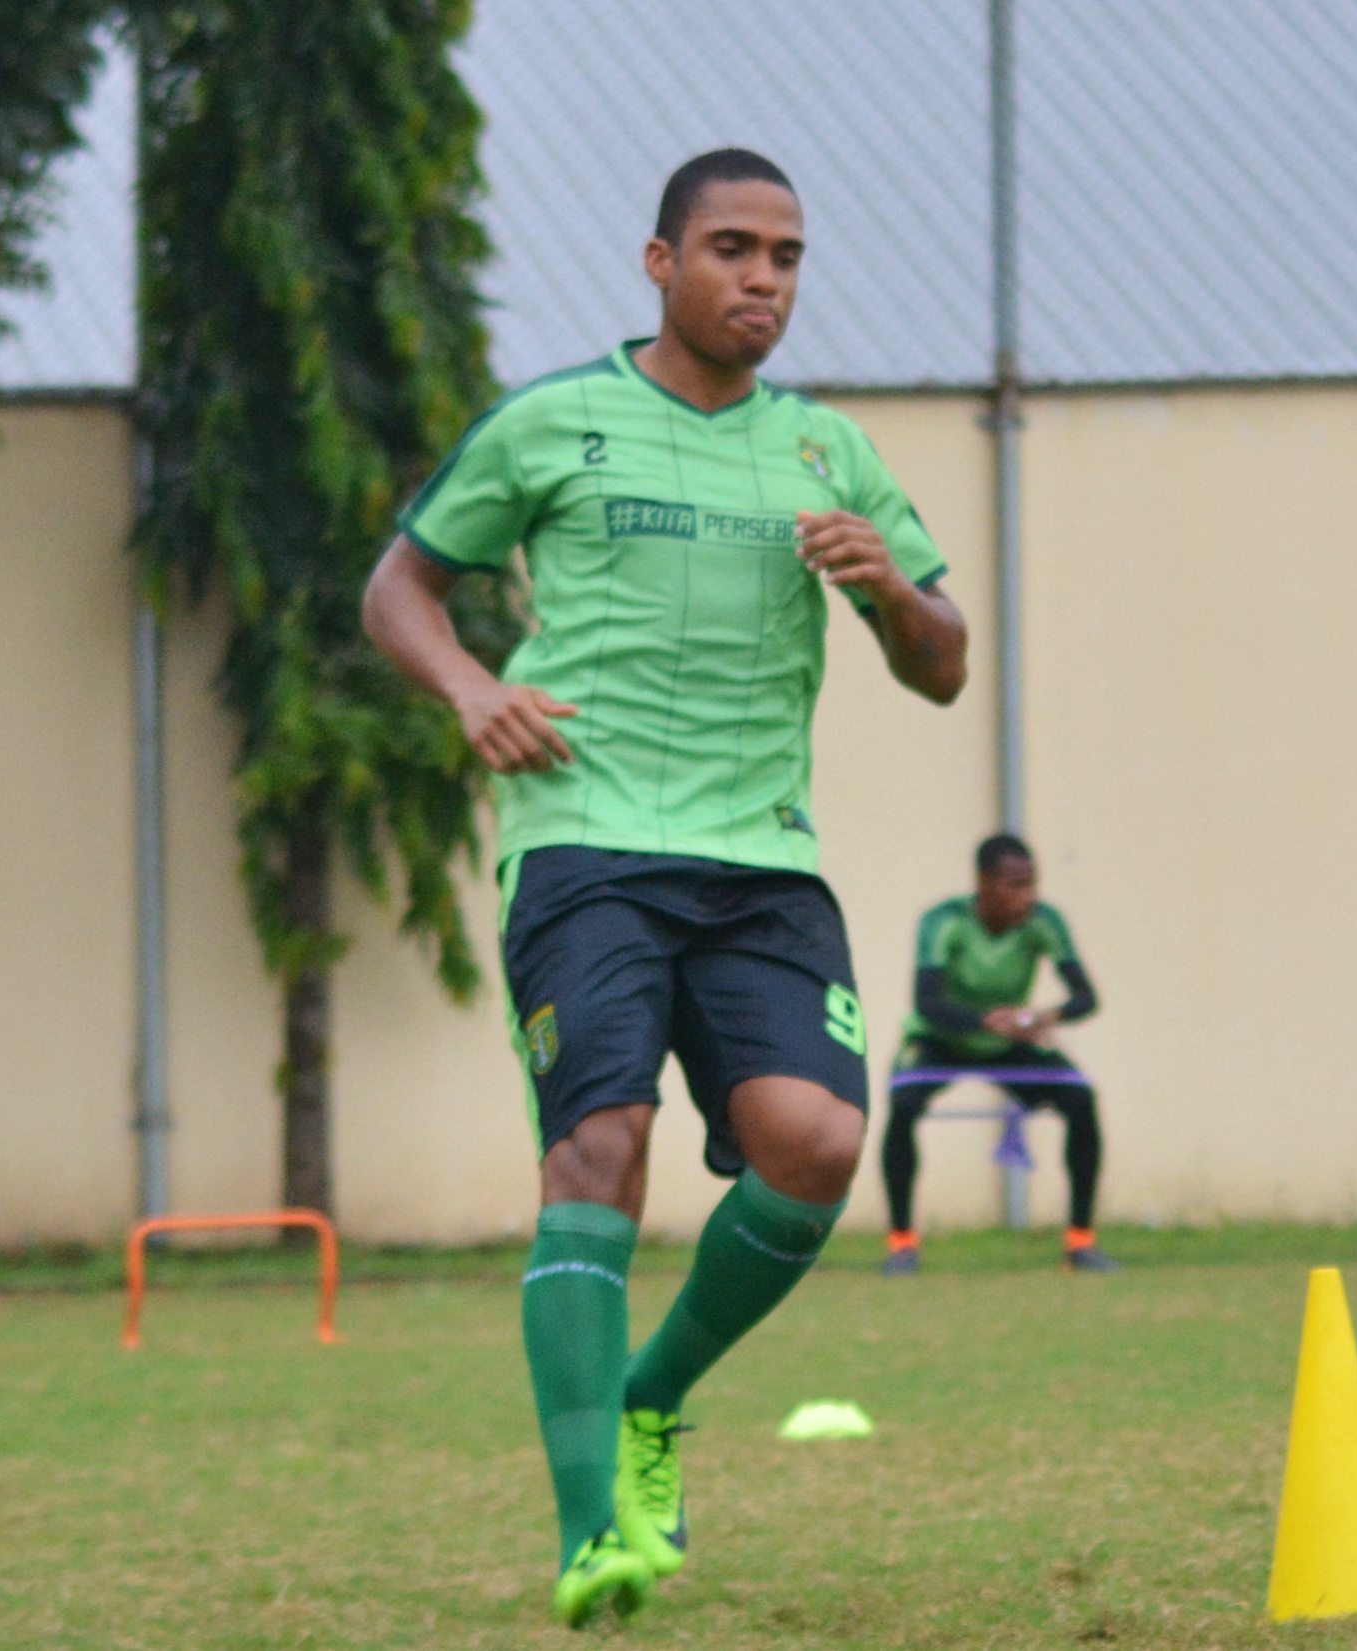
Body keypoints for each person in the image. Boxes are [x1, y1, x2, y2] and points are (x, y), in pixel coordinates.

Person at [363, 148, 967, 1626]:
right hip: (585, 840)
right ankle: (591, 1530)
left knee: (819, 1141)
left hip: (761, 854)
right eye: (732, 250)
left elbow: (944, 664)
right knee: (601, 1143)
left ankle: (648, 1396)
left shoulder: (827, 453)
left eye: (786, 258)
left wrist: (889, 586)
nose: (762, 280)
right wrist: (464, 687)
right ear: (660, 263)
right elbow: (399, 584)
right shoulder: (555, 422)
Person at [878, 834, 1112, 1275]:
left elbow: (1086, 997)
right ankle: (902, 1244)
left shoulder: (1044, 922)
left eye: (1031, 884)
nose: (1027, 896)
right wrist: (984, 1019)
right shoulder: (942, 922)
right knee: (904, 1102)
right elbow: (926, 1001)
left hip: (1009, 1044)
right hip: (941, 1040)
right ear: (984, 883)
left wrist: (1047, 1016)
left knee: (1080, 1099)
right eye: (1015, 885)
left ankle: (1080, 1243)